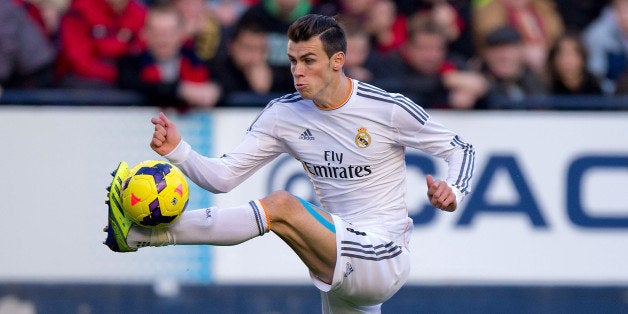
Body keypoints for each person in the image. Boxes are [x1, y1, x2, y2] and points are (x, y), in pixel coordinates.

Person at [104, 14, 475, 313]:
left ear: (337, 61)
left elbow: (460, 149)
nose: (297, 71)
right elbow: (222, 178)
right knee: (281, 213)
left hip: (383, 256)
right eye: (293, 60)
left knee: (282, 206)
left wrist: (453, 192)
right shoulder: (284, 115)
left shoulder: (387, 108)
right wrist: (178, 150)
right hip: (339, 266)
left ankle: (142, 234)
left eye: (308, 61)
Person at [117, 5, 221, 110]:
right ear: (145, 33)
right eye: (156, 32)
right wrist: (180, 90)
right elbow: (139, 87)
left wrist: (215, 89)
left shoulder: (198, 61)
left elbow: (226, 82)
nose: (163, 39)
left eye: (169, 33)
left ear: (182, 33)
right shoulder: (130, 63)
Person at [56, 0, 146, 88]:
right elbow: (79, 61)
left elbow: (143, 48)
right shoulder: (81, 9)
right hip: (83, 80)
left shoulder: (138, 11)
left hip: (127, 76)